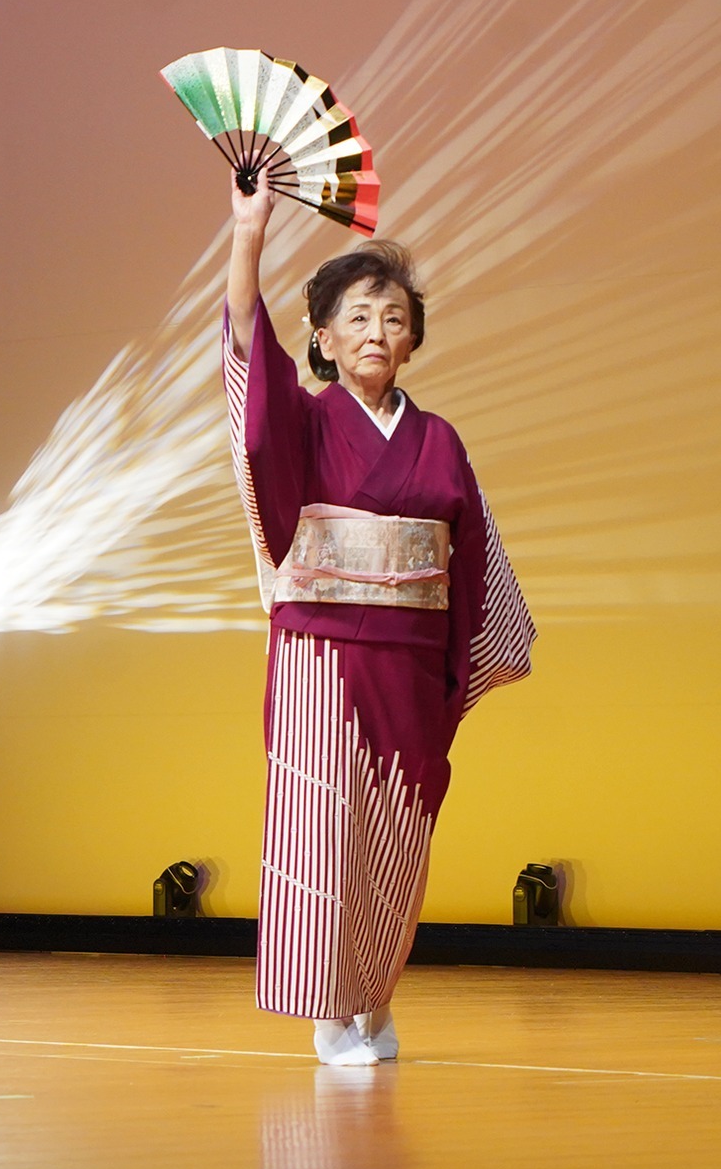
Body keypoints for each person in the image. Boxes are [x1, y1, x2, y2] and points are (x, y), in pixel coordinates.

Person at [223, 170, 534, 1065]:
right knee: (325, 826)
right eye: (357, 316)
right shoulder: (308, 422)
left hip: (410, 657)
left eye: (394, 318)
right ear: (321, 336)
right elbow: (253, 389)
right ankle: (328, 1009)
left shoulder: (440, 439)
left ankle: (376, 995)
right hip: (323, 656)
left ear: (413, 340)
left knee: (400, 825)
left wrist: (462, 663)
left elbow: (469, 559)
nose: (377, 332)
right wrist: (249, 238)